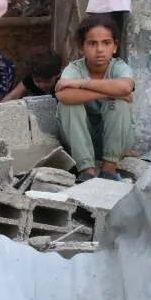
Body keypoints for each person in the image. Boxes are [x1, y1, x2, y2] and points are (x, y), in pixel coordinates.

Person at [55, 15, 135, 182]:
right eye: (92, 43)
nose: (99, 50)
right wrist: (108, 91)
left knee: (119, 102)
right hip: (79, 142)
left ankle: (109, 168)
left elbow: (126, 87)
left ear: (114, 47)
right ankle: (87, 169)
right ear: (81, 48)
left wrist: (81, 84)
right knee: (69, 105)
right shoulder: (75, 68)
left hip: (116, 140)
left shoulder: (119, 67)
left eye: (106, 43)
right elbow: (64, 95)